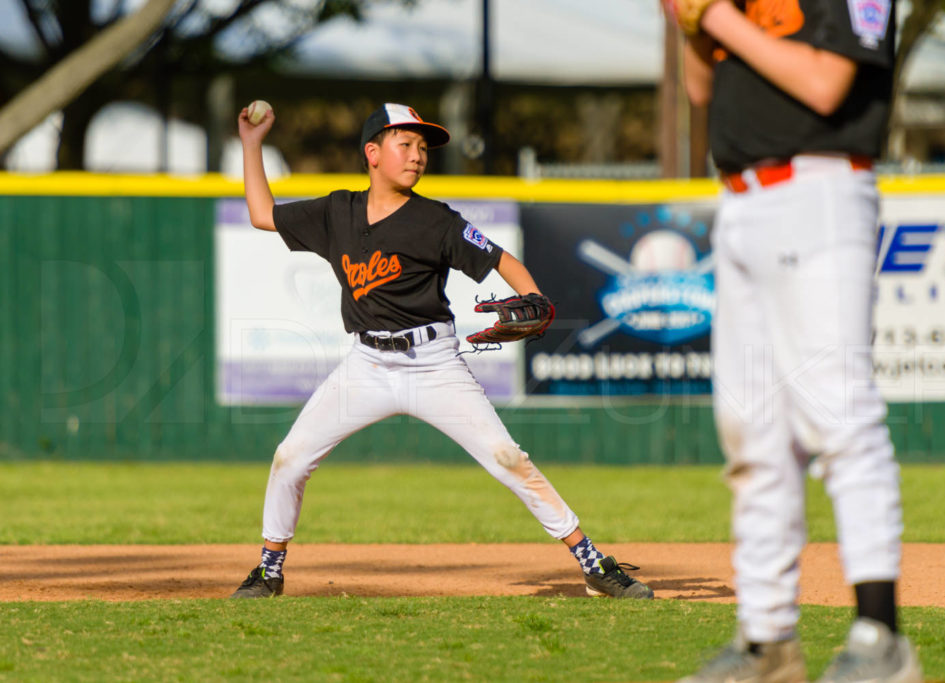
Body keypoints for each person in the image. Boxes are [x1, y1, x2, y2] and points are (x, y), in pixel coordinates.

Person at [229, 101, 653, 601]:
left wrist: (535, 296)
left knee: (506, 458)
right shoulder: (335, 212)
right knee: (289, 458)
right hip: (366, 364)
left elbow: (502, 259)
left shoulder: (436, 222)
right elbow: (262, 214)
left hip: (433, 364)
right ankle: (269, 571)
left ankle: (592, 563)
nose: (417, 156)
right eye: (404, 144)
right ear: (372, 152)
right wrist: (252, 144)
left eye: (423, 148)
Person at [666, 0, 923, 681]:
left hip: (818, 193)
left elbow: (824, 84)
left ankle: (882, 636)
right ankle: (766, 640)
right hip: (741, 204)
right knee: (751, 432)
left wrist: (714, 17)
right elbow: (700, 89)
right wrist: (689, 22)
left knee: (838, 410)